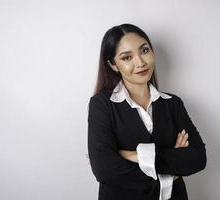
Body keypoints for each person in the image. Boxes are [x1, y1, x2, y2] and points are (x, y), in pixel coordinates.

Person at [87, 23, 207, 200]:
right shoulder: (102, 104)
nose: (140, 62)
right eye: (127, 57)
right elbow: (104, 169)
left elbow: (197, 158)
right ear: (113, 65)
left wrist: (135, 156)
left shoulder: (173, 103)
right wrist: (171, 169)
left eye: (144, 51)